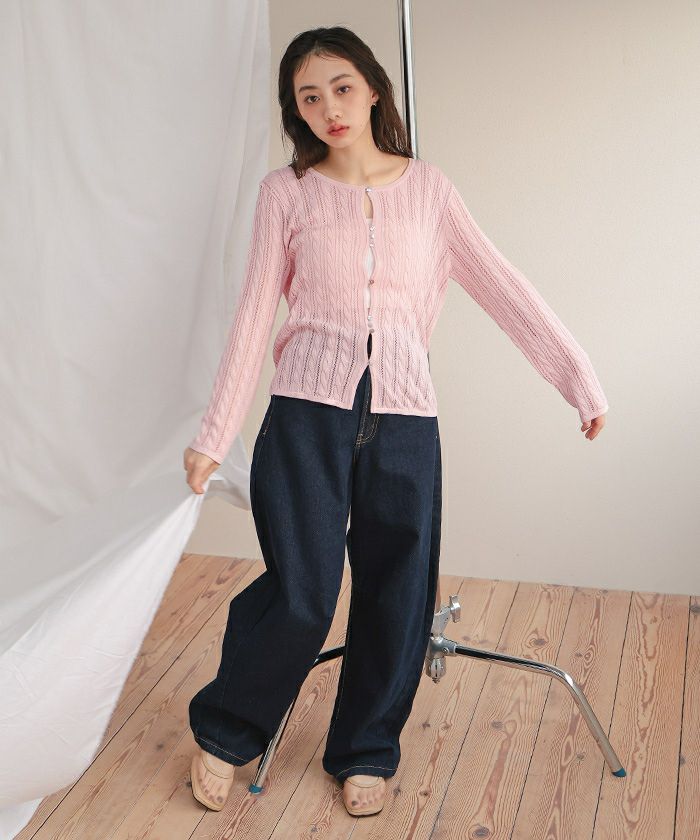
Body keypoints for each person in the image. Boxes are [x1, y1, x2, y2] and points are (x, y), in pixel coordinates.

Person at [183, 26, 609, 817]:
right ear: (296, 110)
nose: (329, 108)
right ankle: (225, 731)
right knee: (303, 593)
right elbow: (253, 312)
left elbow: (504, 288)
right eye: (310, 96)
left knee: (398, 591)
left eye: (342, 87)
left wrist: (576, 378)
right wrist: (215, 434)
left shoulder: (431, 192)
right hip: (305, 417)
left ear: (374, 88)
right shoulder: (287, 193)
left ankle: (366, 749)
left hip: (405, 418)